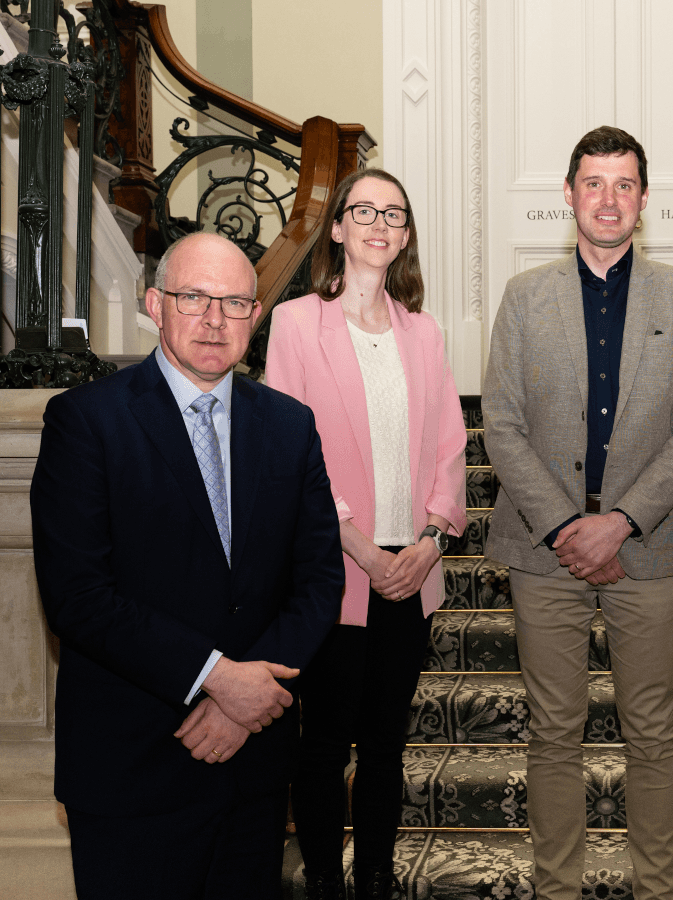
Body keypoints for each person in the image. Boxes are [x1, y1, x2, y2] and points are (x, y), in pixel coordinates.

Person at [29, 232, 344, 900]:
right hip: (134, 768)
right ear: (155, 304)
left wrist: (244, 704)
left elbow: (318, 581)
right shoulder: (85, 421)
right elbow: (78, 595)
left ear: (255, 318)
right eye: (194, 297)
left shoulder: (290, 425)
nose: (214, 319)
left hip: (252, 771)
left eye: (234, 302)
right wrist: (216, 679)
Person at [482, 125, 673, 900]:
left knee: (651, 732)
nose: (608, 199)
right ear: (569, 194)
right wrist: (563, 526)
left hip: (647, 548)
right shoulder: (524, 298)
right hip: (541, 547)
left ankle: (656, 889)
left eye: (624, 185)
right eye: (594, 183)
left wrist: (618, 521)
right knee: (554, 735)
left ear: (643, 200)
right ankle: (557, 891)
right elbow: (502, 425)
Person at [264, 168, 467, 900]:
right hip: (331, 569)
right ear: (339, 227)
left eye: (396, 215)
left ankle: (377, 877)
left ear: (405, 236)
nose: (381, 224)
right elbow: (293, 453)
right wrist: (361, 548)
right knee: (321, 747)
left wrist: (430, 541)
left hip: (411, 573)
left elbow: (451, 443)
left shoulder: (424, 331)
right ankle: (322, 878)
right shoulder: (295, 326)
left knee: (387, 744)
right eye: (365, 211)